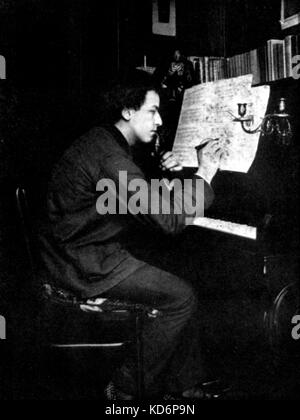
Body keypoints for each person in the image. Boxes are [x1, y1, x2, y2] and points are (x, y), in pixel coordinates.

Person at [38, 70, 224, 399]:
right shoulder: (111, 156)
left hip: (74, 252)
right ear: (127, 111)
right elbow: (166, 221)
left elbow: (120, 198)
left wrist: (162, 179)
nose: (159, 120)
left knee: (175, 268)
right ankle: (125, 390)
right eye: (152, 111)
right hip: (84, 265)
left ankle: (184, 386)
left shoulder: (102, 141)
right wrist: (206, 171)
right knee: (182, 297)